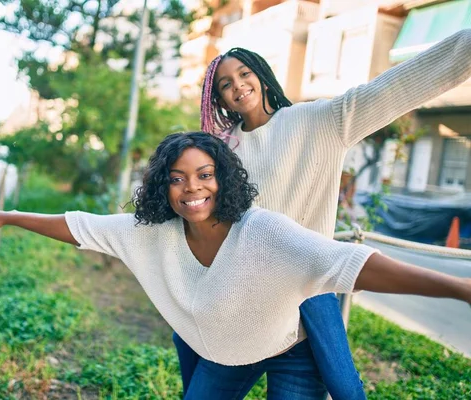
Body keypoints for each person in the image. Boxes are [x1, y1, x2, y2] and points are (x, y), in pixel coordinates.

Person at [0, 132, 471, 400]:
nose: (192, 188)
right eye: (178, 178)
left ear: (223, 179)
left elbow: (350, 264)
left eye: (204, 175)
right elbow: (78, 225)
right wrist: (6, 217)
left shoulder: (262, 230)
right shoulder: (149, 235)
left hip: (289, 351)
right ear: (163, 185)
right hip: (223, 356)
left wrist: (461, 289)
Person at [169, 28, 471, 399]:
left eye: (245, 73)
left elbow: (393, 88)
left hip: (306, 305)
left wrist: (466, 45)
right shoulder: (221, 152)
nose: (238, 86)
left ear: (262, 76)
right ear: (221, 101)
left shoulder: (320, 120)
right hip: (242, 305)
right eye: (225, 84)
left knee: (346, 390)